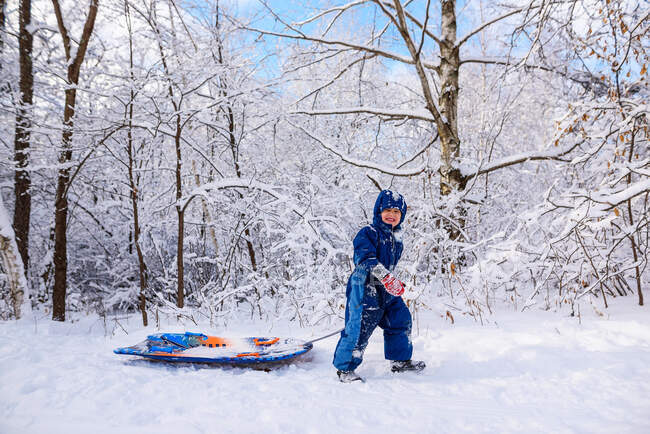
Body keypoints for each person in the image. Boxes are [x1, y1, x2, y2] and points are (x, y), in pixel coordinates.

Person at [333, 189, 425, 383]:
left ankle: (400, 361)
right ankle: (345, 369)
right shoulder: (368, 233)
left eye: (397, 212)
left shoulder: (396, 238)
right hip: (365, 286)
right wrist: (386, 278)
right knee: (360, 327)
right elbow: (365, 258)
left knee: (400, 318)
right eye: (387, 210)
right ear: (378, 211)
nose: (392, 215)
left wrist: (392, 280)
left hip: (385, 287)